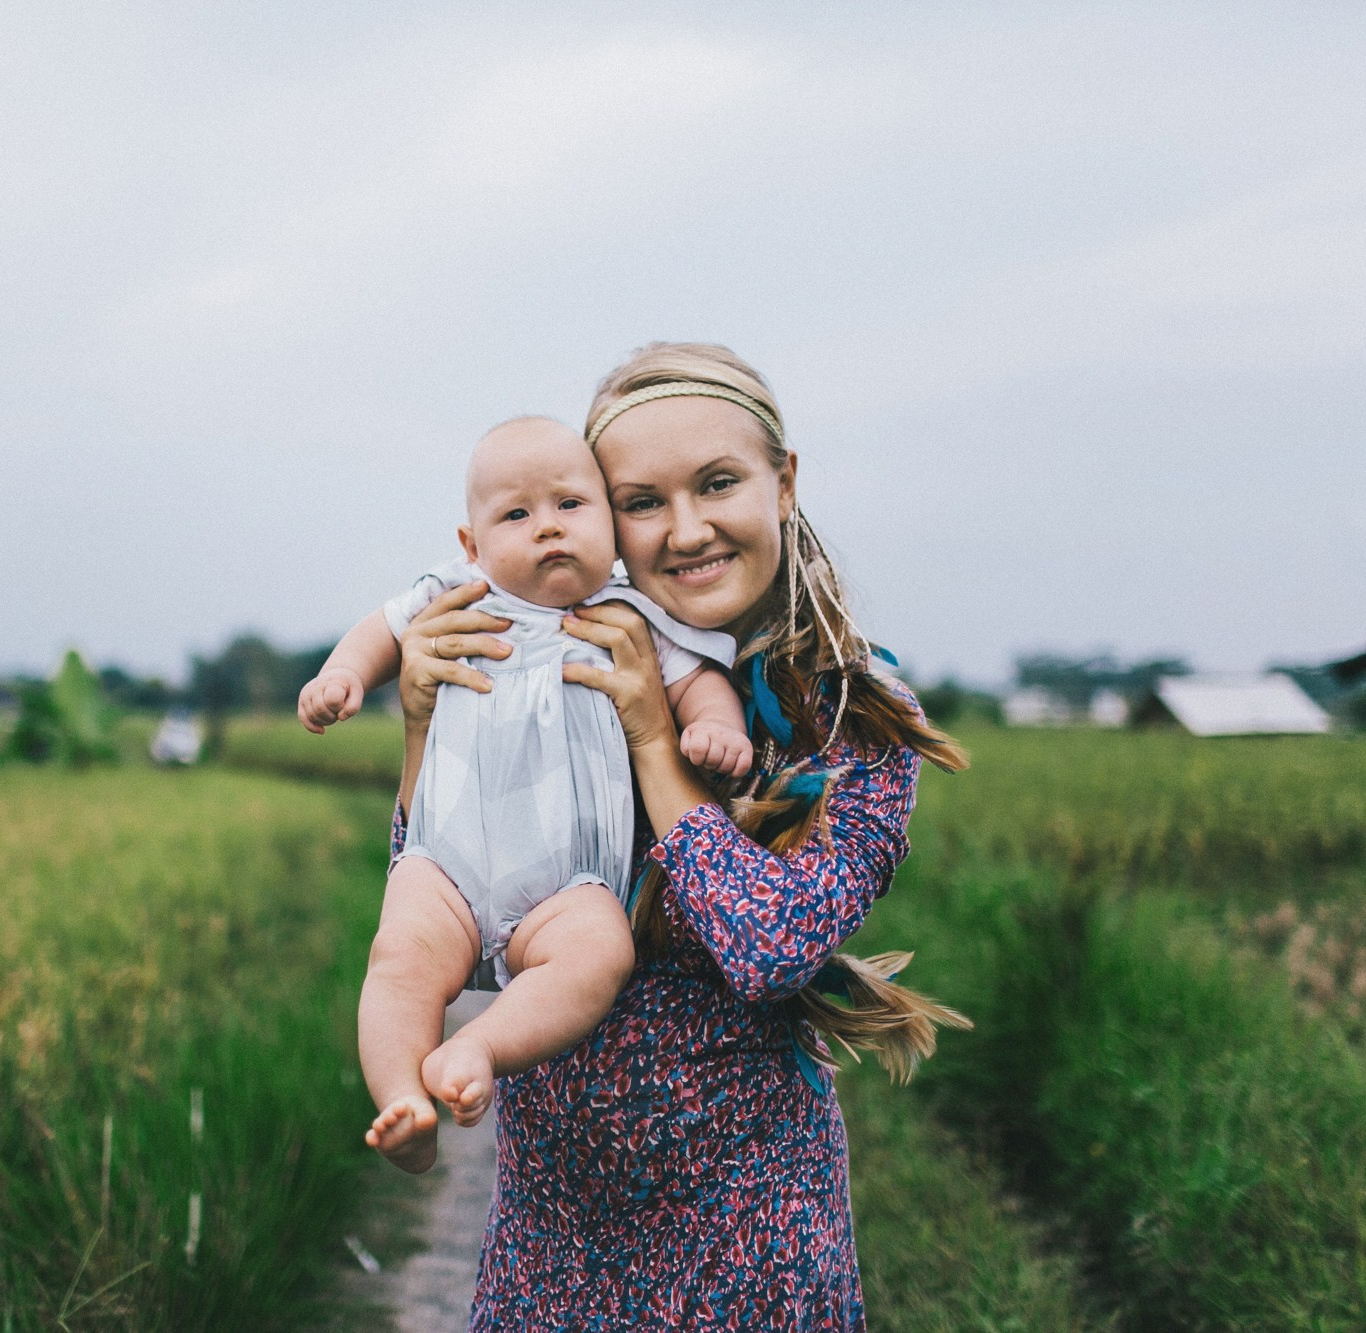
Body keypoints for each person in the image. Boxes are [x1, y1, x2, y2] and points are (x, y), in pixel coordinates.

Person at [390, 344, 969, 1329]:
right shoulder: (556, 656)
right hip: (550, 1243)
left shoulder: (845, 713)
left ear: (781, 483)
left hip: (746, 1247)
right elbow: (454, 916)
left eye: (716, 483)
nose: (686, 528)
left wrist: (653, 741)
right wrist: (419, 723)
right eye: (641, 500)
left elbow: (770, 947)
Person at [299, 416, 753, 1172]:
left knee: (599, 951)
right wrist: (342, 676)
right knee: (400, 959)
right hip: (444, 861)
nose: (547, 527)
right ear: (472, 543)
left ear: (609, 517)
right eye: (516, 514)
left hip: (565, 886)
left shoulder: (632, 613)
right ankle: (403, 1102)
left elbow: (697, 680)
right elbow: (380, 631)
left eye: (570, 505)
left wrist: (715, 726)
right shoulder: (458, 593)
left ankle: (480, 1044)